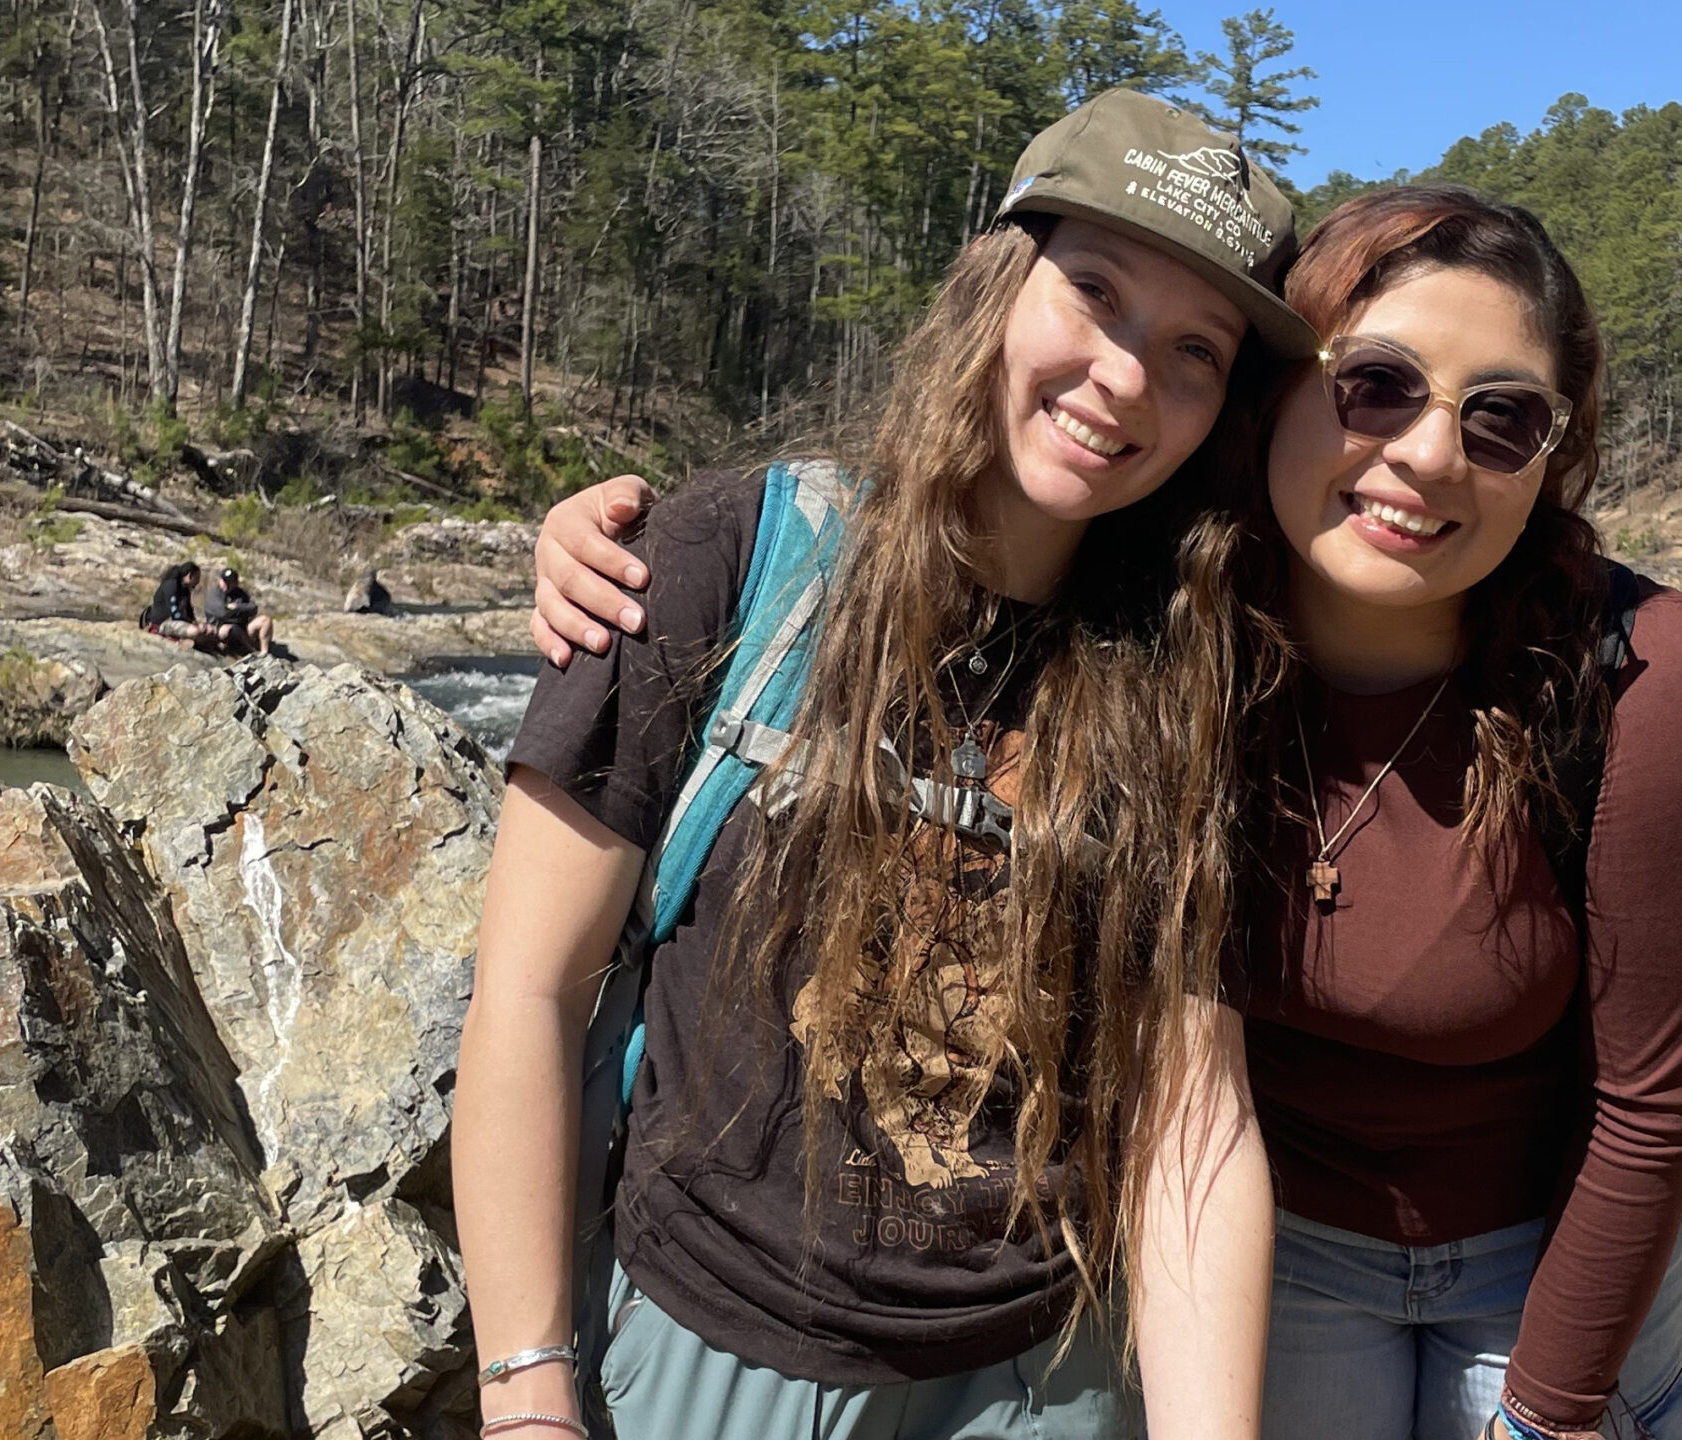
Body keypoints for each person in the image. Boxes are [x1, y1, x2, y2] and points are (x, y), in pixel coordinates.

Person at [532, 187, 1682, 1440]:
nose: (1430, 454)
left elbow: (1654, 1107)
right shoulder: (1172, 619)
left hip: (1545, 1254)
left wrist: (1547, 1416)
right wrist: (631, 546)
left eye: (1502, 418)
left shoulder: (1625, 676)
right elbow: (971, 512)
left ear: (1552, 455)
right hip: (1273, 1254)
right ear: (1275, 397)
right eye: (1374, 384)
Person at [456, 88, 1316, 1440]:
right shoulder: (728, 559)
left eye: (1195, 350)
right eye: (1093, 293)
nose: (1126, 376)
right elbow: (527, 989)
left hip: (1042, 1383)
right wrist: (527, 1396)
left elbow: (1191, 1120)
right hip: (703, 1355)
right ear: (993, 282)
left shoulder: (1195, 672)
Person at [203, 565, 275, 653]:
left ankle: (264, 652)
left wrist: (237, 607)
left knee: (265, 620)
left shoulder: (240, 593)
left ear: (235, 583)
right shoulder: (214, 593)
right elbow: (222, 613)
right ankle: (250, 650)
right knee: (230, 629)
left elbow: (253, 607)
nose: (226, 584)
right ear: (220, 580)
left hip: (242, 627)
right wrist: (239, 613)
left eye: (230, 582)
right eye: (224, 581)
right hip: (220, 628)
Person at [137, 560, 208, 646]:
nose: (198, 581)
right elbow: (174, 613)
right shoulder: (171, 585)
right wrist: (190, 624)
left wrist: (195, 622)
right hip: (163, 622)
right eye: (197, 577)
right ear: (189, 575)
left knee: (206, 630)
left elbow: (188, 610)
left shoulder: (185, 589)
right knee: (194, 631)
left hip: (175, 621)